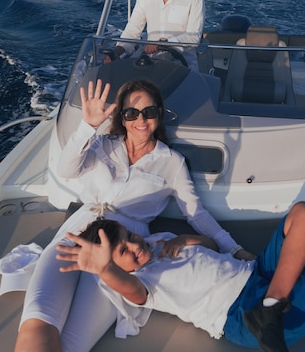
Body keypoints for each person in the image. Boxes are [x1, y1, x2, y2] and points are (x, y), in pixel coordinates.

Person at [13, 79, 253, 352]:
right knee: (37, 322)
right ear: (122, 118)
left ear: (159, 114)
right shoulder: (102, 145)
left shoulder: (171, 162)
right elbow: (66, 170)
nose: (141, 120)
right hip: (78, 232)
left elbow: (196, 214)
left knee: (73, 343)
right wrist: (88, 127)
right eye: (131, 113)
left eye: (149, 112)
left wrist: (233, 248)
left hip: (123, 254)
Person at [57, 202, 305, 352]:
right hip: (238, 311)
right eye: (123, 252)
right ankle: (267, 311)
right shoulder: (143, 284)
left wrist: (184, 239)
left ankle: (273, 304)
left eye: (129, 236)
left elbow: (208, 246)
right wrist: (103, 267)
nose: (135, 246)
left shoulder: (157, 240)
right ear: (115, 266)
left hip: (256, 274)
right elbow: (130, 289)